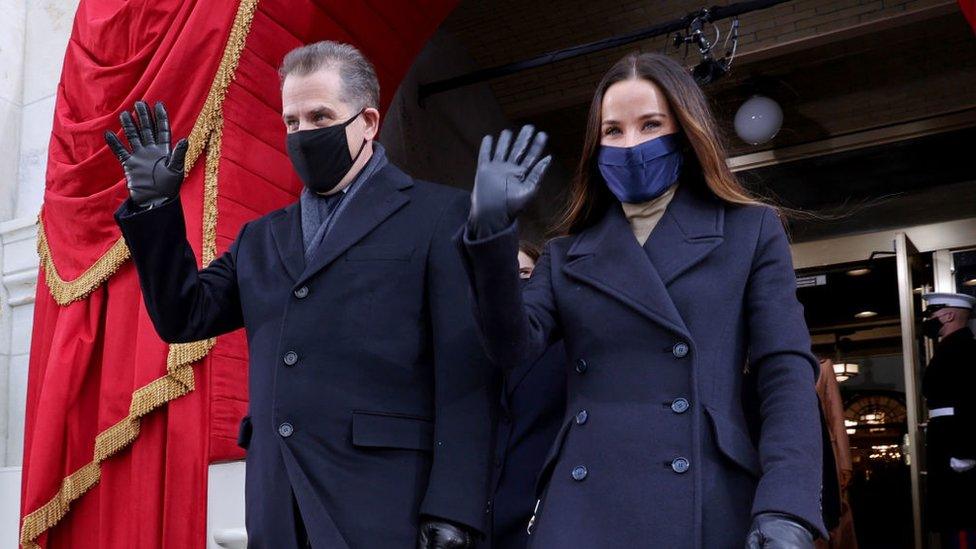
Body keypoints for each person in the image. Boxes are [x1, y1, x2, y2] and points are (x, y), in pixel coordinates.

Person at [105, 41, 492, 549]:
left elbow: (466, 374)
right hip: (278, 507)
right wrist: (155, 209)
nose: (303, 134)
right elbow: (185, 315)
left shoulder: (439, 215)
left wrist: (455, 510)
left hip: (387, 507)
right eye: (292, 122)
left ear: (369, 122)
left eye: (319, 116)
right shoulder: (261, 238)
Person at [457, 51, 826, 548]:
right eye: (613, 130)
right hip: (582, 508)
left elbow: (784, 372)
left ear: (686, 131)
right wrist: (490, 231)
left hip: (708, 497)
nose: (631, 144)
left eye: (650, 125)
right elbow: (511, 347)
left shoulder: (749, 230)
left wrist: (788, 504)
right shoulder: (567, 253)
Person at [487, 241, 567, 549]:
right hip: (475, 520)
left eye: (524, 274)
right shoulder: (470, 348)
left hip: (535, 516)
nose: (516, 286)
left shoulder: (562, 347)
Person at [920, 292, 976, 548]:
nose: (930, 320)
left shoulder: (965, 349)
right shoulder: (951, 347)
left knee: (962, 522)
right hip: (947, 440)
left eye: (933, 314)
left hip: (956, 444)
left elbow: (971, 400)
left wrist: (966, 451)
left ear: (949, 315)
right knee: (953, 522)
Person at [815, 359, 857, 549]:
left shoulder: (822, 366)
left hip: (826, 454)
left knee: (832, 515)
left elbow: (836, 416)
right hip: (799, 453)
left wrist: (844, 464)